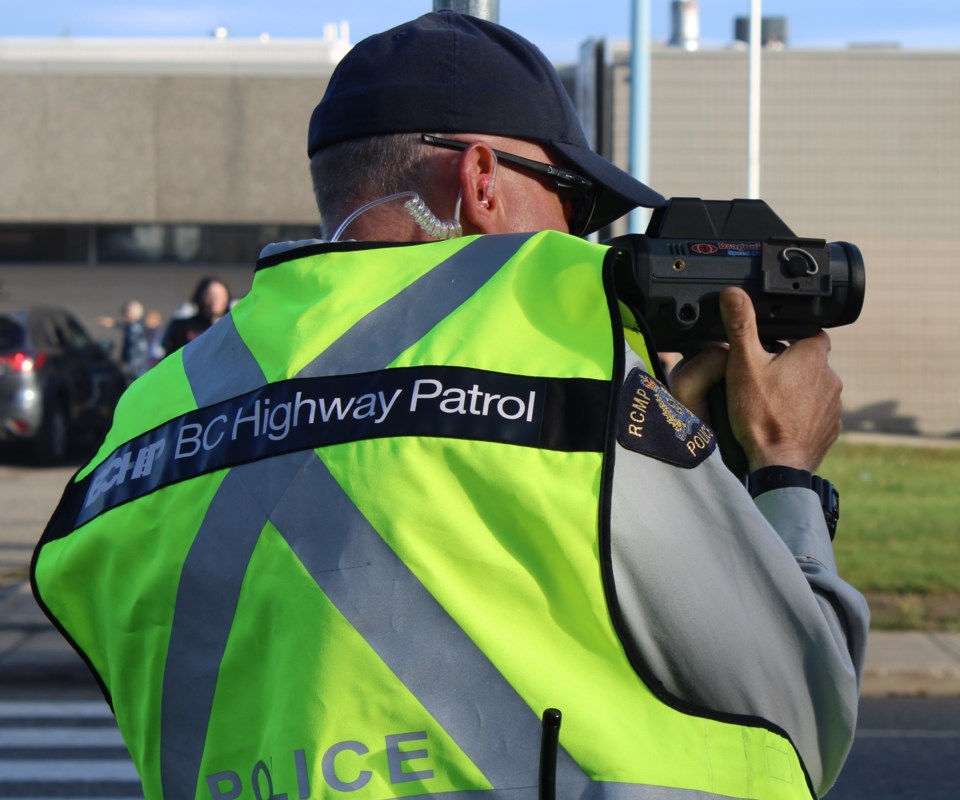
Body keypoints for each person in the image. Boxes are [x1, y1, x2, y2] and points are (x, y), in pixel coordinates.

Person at [32, 12, 867, 800]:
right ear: (481, 181)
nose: (581, 240)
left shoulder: (147, 424)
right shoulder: (562, 343)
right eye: (575, 204)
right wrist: (782, 466)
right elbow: (805, 710)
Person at [160, 275, 231, 353]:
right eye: (211, 295)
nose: (216, 299)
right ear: (200, 296)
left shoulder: (232, 328)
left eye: (220, 295)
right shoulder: (182, 326)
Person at [98, 299, 149, 381]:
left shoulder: (135, 329)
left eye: (126, 312)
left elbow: (134, 350)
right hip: (137, 369)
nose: (124, 315)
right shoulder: (138, 327)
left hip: (135, 371)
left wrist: (127, 367)